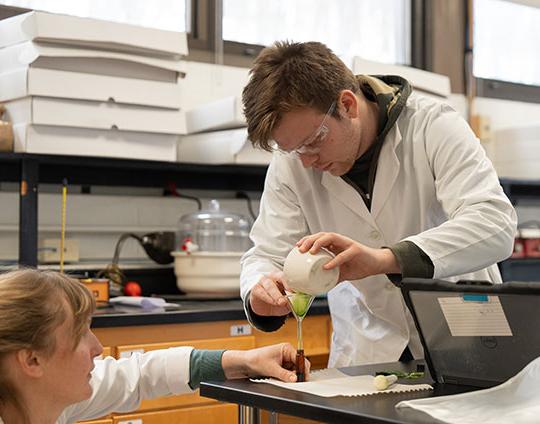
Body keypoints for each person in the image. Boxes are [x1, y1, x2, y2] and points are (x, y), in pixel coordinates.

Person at [239, 41, 517, 368]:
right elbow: (267, 253)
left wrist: (386, 259)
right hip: (366, 351)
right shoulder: (292, 164)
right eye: (294, 150)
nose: (306, 162)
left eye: (314, 141)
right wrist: (259, 292)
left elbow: (494, 224)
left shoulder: (433, 126)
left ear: (347, 104)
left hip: (465, 333)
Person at [0, 269, 309, 424]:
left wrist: (246, 361)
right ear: (32, 360)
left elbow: (142, 375)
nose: (98, 347)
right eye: (80, 333)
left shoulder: (42, 399)